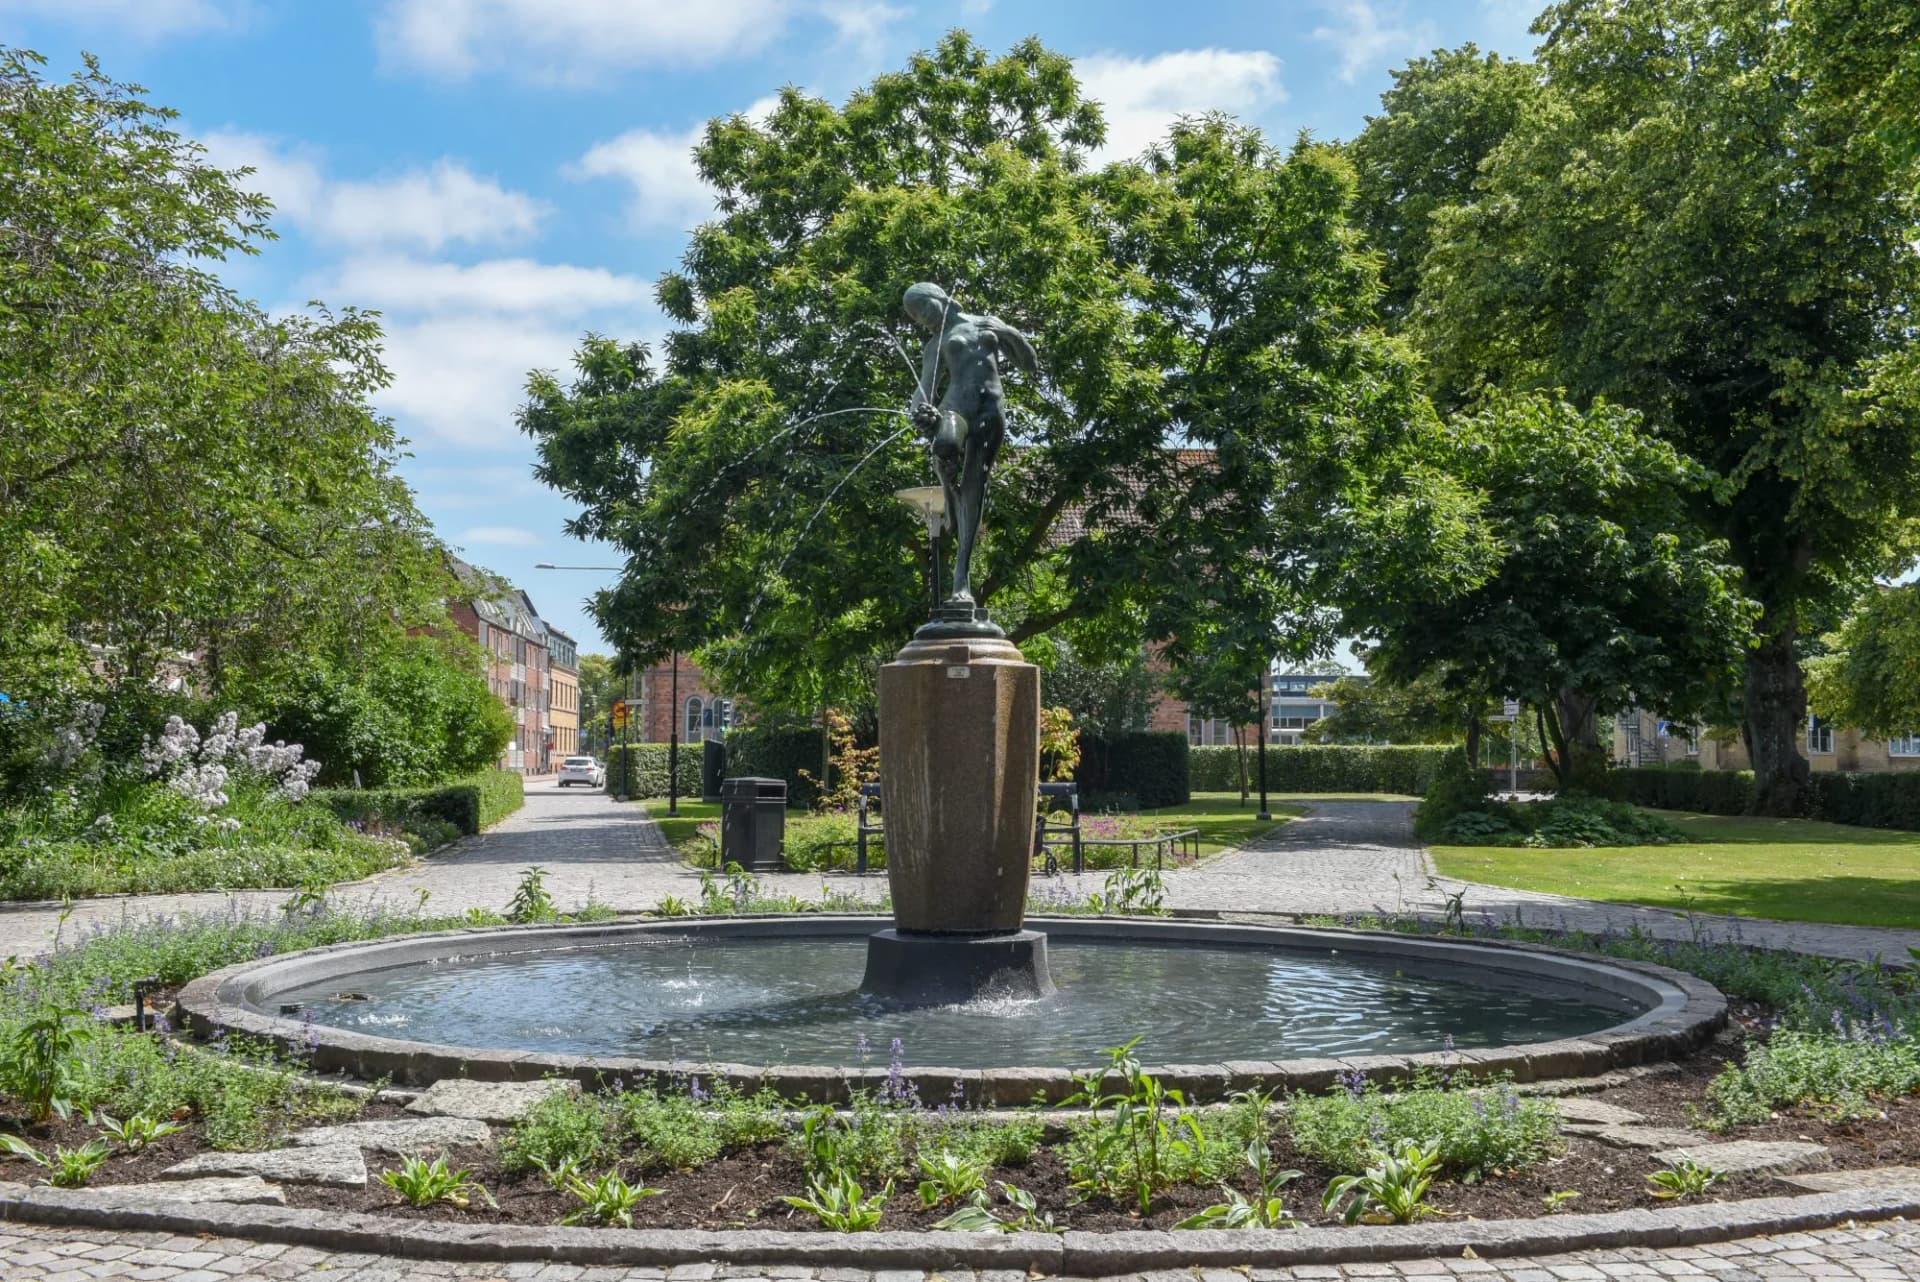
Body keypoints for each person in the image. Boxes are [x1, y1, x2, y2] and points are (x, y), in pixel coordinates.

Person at [903, 282, 1037, 605]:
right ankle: (947, 484)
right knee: (945, 445)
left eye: (923, 309)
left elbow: (1030, 363)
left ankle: (961, 579)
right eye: (916, 316)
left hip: (991, 412)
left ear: (938, 298)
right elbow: (924, 389)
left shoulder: (986, 323)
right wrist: (918, 414)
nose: (922, 320)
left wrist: (1009, 333)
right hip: (956, 409)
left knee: (976, 490)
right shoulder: (935, 346)